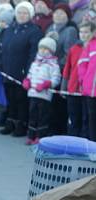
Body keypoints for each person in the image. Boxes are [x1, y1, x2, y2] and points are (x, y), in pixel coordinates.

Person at [0, 1, 42, 137]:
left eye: (25, 13)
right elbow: (3, 48)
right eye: (19, 12)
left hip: (22, 71)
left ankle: (21, 125)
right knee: (10, 98)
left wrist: (28, 72)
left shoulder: (34, 31)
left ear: (30, 15)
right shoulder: (10, 29)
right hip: (8, 69)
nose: (22, 15)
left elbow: (33, 54)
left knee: (21, 99)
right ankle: (10, 122)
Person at [22, 36, 61, 144]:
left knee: (43, 116)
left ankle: (40, 136)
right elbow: (30, 74)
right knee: (32, 114)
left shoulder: (53, 64)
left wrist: (47, 84)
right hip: (33, 93)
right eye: (41, 48)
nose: (42, 51)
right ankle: (30, 135)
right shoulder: (35, 62)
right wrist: (27, 81)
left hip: (44, 95)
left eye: (46, 48)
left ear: (51, 51)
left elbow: (56, 79)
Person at [46, 3, 78, 136]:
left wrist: (54, 64)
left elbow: (68, 54)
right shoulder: (49, 28)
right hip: (47, 71)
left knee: (59, 105)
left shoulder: (70, 30)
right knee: (49, 104)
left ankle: (59, 133)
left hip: (61, 71)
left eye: (62, 13)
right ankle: (50, 130)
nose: (58, 15)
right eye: (56, 12)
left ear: (67, 16)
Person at [63, 21, 92, 137]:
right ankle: (72, 140)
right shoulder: (74, 48)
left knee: (86, 119)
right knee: (73, 117)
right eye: (81, 32)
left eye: (86, 32)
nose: (83, 35)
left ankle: (84, 142)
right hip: (73, 89)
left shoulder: (93, 49)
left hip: (87, 91)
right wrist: (64, 86)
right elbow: (67, 68)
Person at [78, 20, 96, 141]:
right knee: (92, 118)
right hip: (91, 89)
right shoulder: (91, 45)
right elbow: (82, 65)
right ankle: (93, 147)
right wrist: (83, 81)